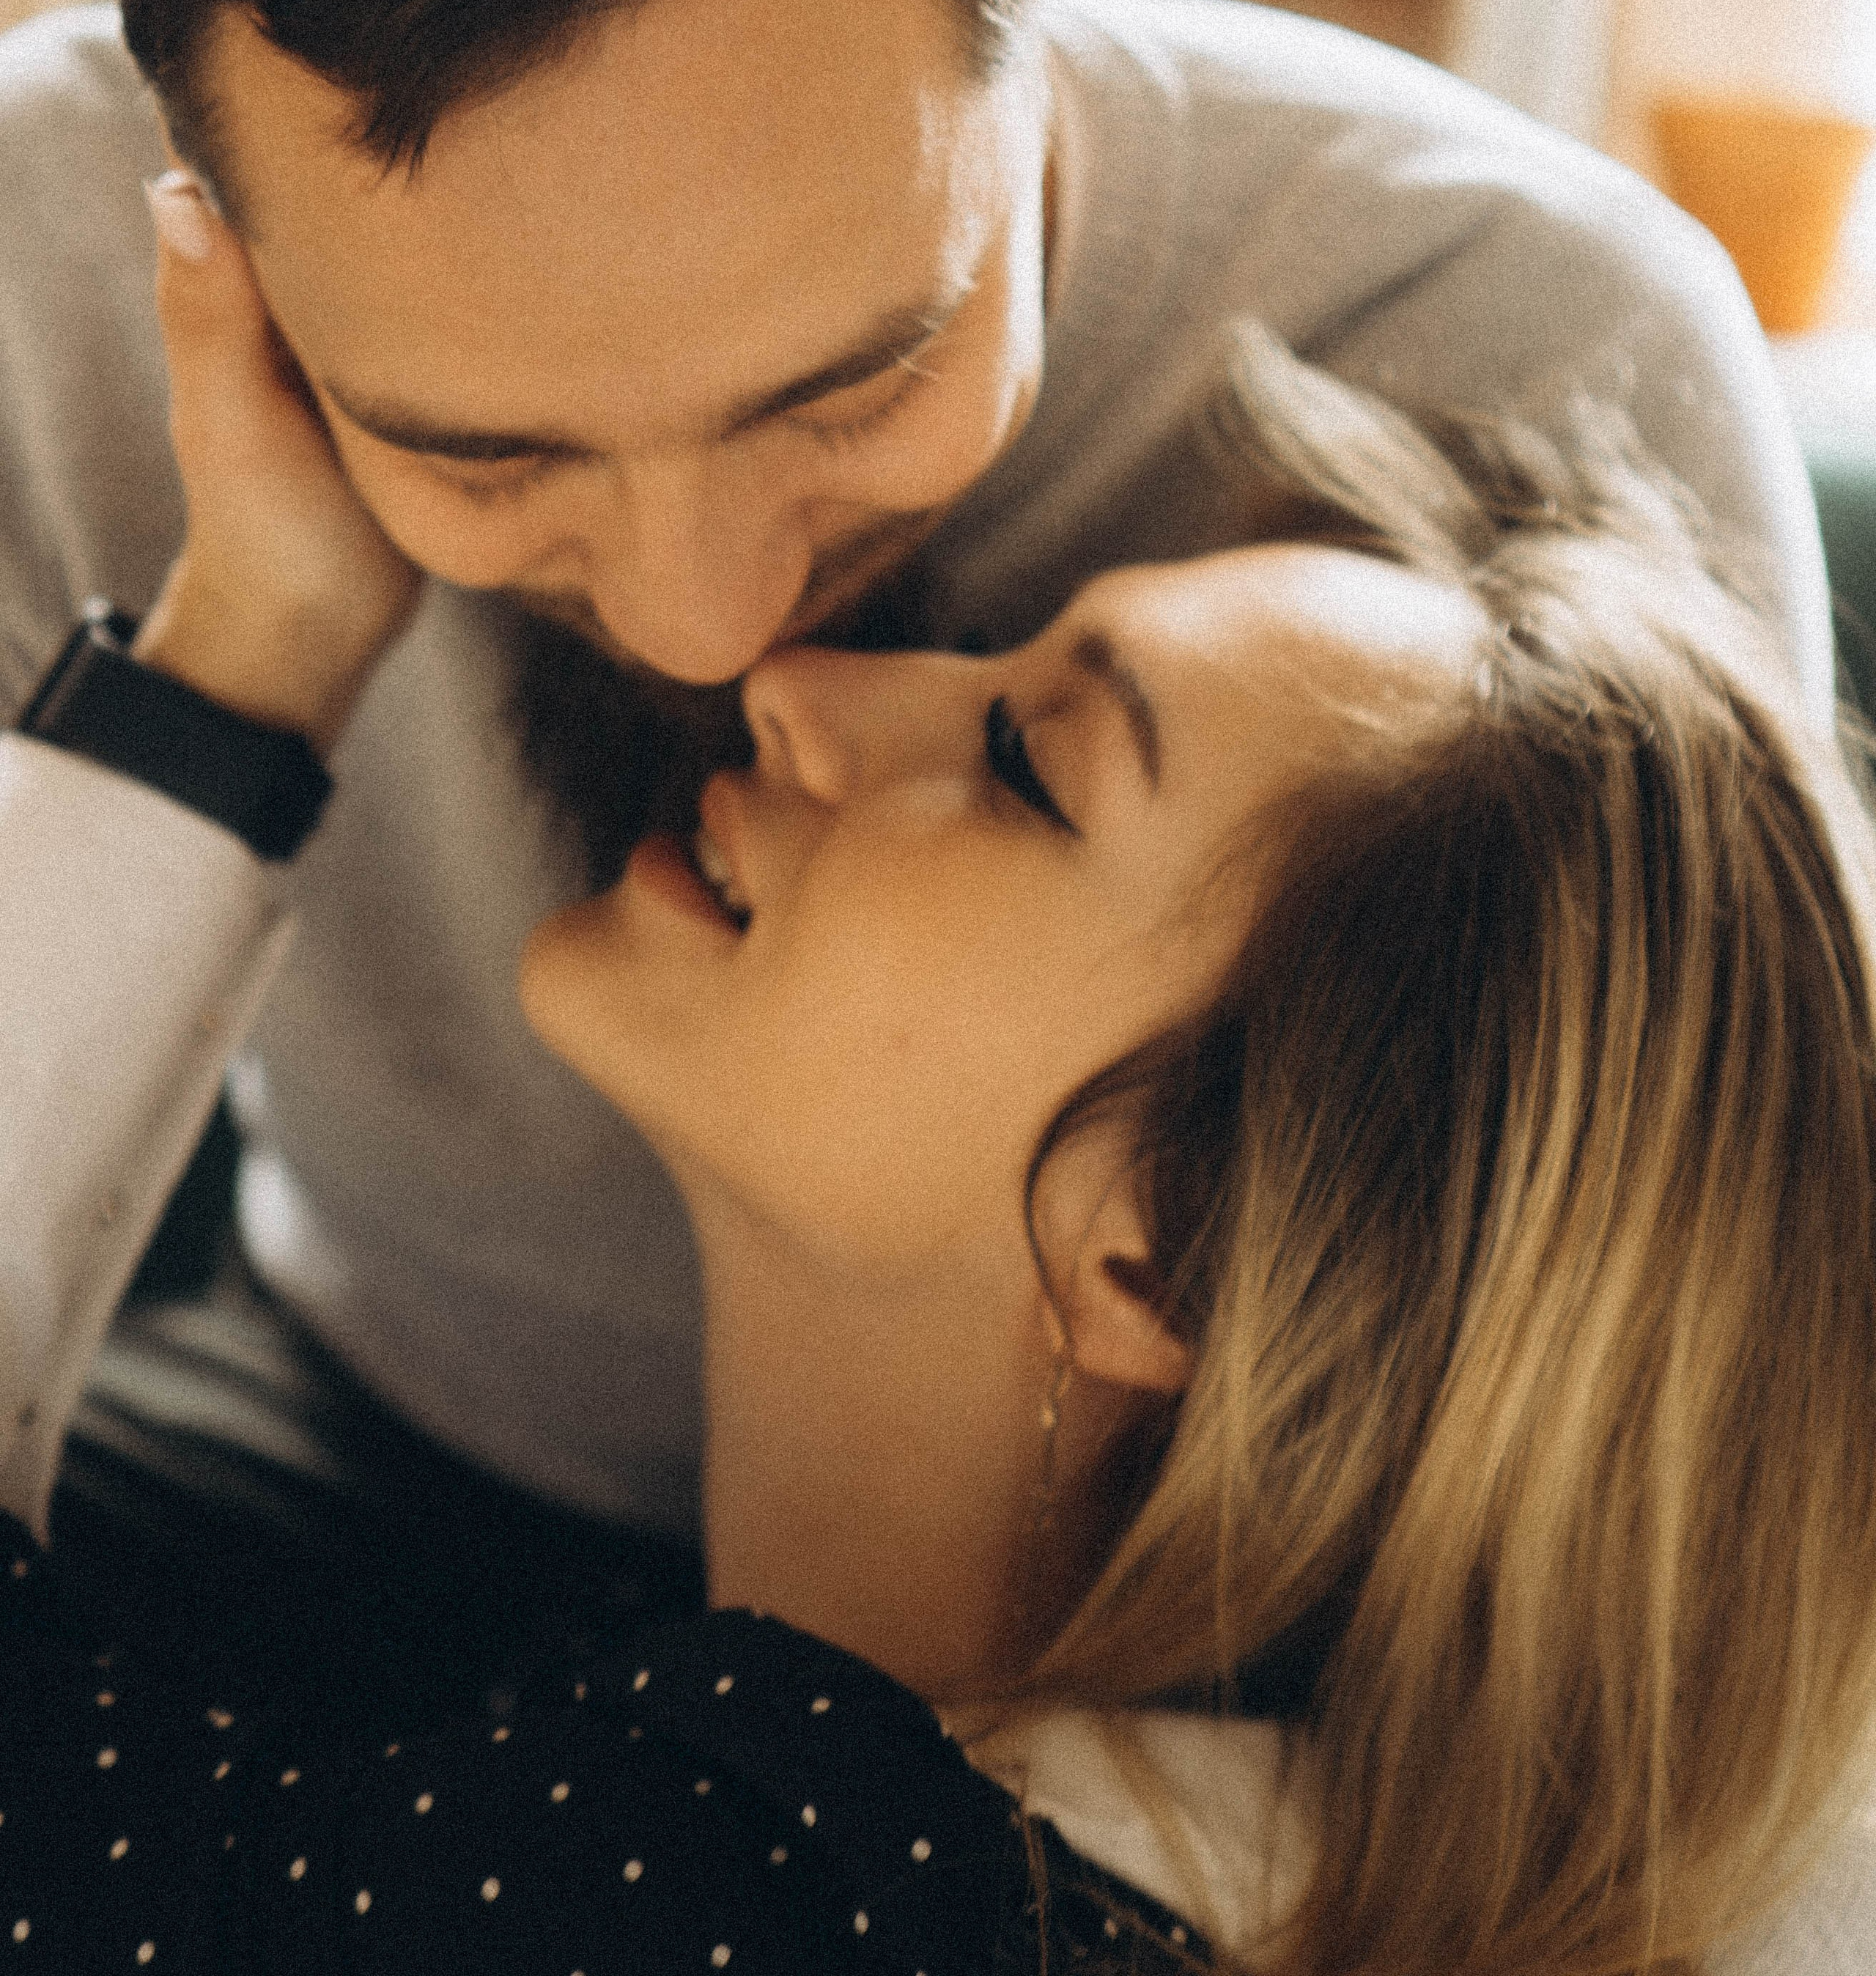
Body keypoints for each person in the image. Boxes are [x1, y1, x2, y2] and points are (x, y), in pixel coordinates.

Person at [0, 0, 1836, 1689]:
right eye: (485, 457)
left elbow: (1696, 1484)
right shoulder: (34, 267)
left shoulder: (1541, 334)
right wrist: (251, 634)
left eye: (856, 379)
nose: (720, 619)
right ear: (202, 217)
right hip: (343, 1432)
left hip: (1225, 1644)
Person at [4, 338, 1874, 1974]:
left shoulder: (743, 1899)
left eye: (1024, 764)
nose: (797, 690)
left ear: (1165, 1262)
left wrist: (249, 653)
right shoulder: (961, 1852)